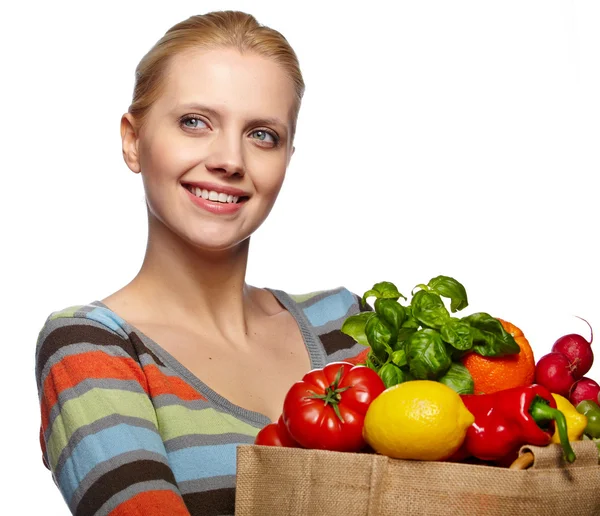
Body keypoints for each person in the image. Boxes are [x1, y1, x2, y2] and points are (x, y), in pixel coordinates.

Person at [34, 10, 369, 516]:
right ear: (133, 140)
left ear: (287, 160)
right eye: (195, 122)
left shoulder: (346, 323)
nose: (230, 159)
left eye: (262, 135)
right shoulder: (91, 346)